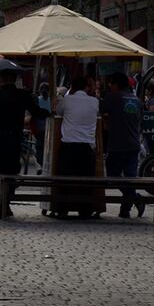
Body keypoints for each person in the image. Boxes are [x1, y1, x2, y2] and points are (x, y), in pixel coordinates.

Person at [0, 69, 48, 216]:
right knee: (11, 172)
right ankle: (6, 204)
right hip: (14, 139)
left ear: (2, 79)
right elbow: (37, 111)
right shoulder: (22, 95)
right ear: (14, 79)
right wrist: (50, 112)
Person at [101, 72, 147, 218]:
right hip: (134, 144)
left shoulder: (112, 97)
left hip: (117, 144)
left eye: (111, 83)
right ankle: (125, 209)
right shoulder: (137, 100)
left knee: (112, 176)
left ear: (116, 84)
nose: (109, 86)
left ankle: (135, 199)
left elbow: (101, 113)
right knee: (129, 178)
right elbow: (140, 121)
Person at [55, 76, 100, 218]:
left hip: (68, 145)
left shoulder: (67, 100)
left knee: (65, 178)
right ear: (86, 87)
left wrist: (59, 95)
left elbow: (58, 111)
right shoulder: (95, 101)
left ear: (72, 87)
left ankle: (63, 209)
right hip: (87, 146)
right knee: (86, 180)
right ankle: (85, 209)